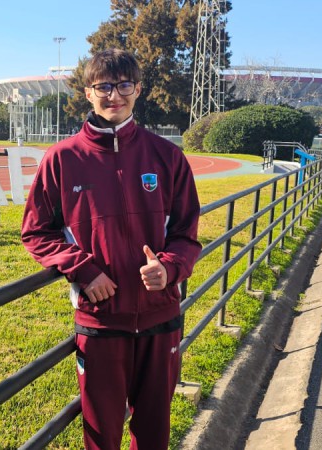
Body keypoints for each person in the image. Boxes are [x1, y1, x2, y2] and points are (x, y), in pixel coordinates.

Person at [21, 48, 201, 449]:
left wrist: (170, 268)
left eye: (123, 85)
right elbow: (35, 231)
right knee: (101, 435)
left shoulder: (167, 156)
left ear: (138, 90)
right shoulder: (61, 159)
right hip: (100, 322)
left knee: (154, 431)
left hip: (161, 316)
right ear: (88, 93)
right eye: (103, 86)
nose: (113, 95)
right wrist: (82, 269)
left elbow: (188, 232)